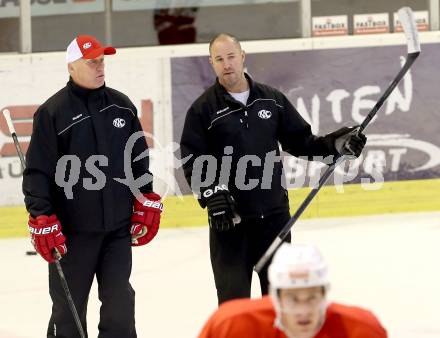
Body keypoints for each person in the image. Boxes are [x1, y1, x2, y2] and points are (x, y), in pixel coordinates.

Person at [180, 33, 367, 305]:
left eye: (231, 56)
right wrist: (211, 193)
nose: (226, 64)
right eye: (219, 59)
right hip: (229, 223)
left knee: (280, 304)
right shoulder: (202, 110)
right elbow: (193, 158)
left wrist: (336, 146)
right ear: (211, 63)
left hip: (273, 220)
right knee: (235, 308)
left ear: (242, 56)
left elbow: (302, 142)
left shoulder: (272, 100)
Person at [22, 35, 163, 338]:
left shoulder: (121, 106)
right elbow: (38, 172)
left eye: (102, 60)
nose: (100, 67)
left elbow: (137, 160)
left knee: (120, 311)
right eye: (92, 61)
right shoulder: (52, 112)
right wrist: (41, 215)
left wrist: (145, 197)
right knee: (68, 315)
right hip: (72, 235)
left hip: (117, 232)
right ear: (72, 66)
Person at [198, 243, 388, 338]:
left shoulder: (361, 329)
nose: (303, 310)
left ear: (325, 295)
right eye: (292, 299)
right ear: (275, 297)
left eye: (312, 298)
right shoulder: (230, 326)